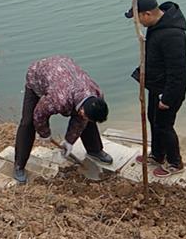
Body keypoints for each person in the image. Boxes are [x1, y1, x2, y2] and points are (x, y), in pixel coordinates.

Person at [13, 56, 112, 184]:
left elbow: (81, 120)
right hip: (38, 76)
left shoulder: (96, 94)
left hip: (63, 72)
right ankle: (19, 166)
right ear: (82, 109)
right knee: (28, 122)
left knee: (88, 119)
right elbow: (39, 114)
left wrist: (69, 141)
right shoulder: (59, 99)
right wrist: (45, 133)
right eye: (83, 113)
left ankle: (94, 150)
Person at [125, 0, 186, 177]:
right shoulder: (156, 27)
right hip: (156, 86)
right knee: (154, 120)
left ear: (147, 14)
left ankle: (175, 163)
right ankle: (158, 155)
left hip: (169, 91)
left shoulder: (172, 35)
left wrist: (167, 98)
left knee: (164, 125)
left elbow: (178, 71)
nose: (137, 22)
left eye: (138, 18)